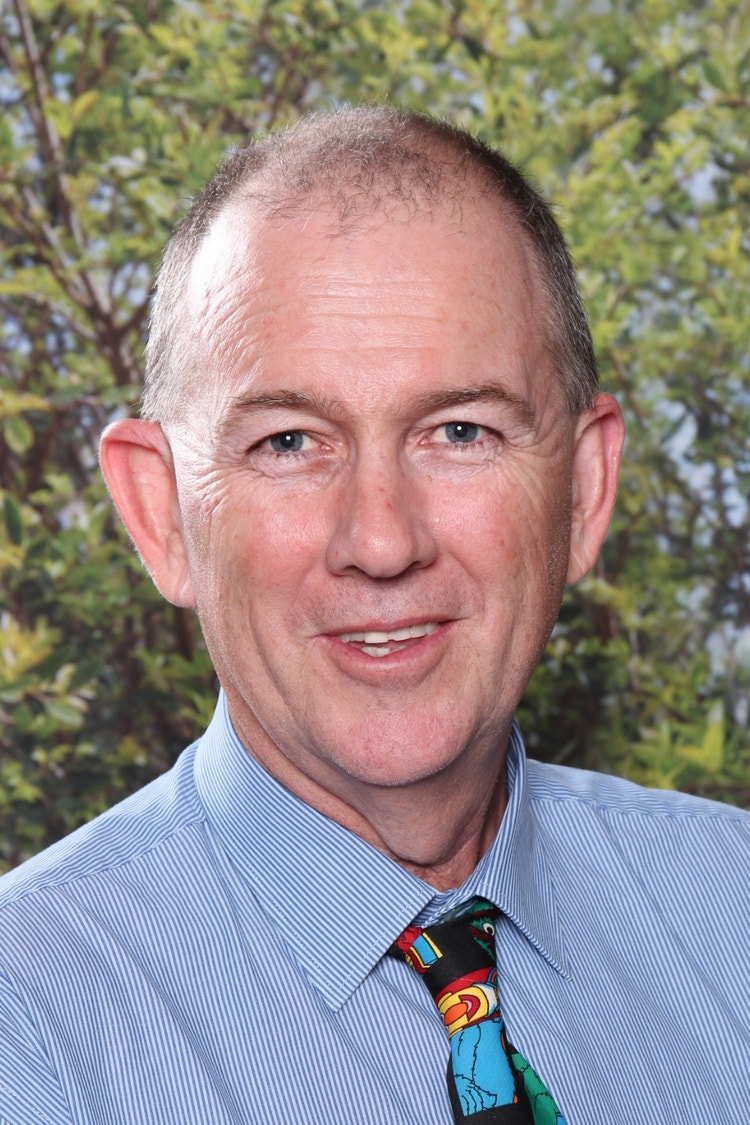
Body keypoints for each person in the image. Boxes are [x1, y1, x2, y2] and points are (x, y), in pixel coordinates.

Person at [0, 106, 748, 1125]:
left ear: (582, 488)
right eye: (289, 443)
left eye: (459, 430)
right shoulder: (31, 1022)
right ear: (159, 512)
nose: (383, 541)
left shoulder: (732, 910)